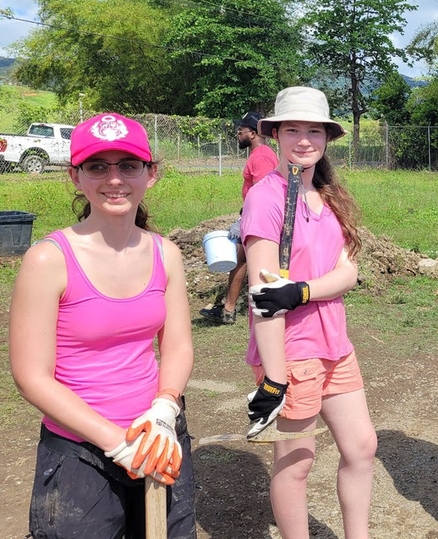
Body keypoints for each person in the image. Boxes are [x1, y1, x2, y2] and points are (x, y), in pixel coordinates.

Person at [9, 113, 196, 537]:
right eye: (98, 167)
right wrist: (116, 442)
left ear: (151, 174)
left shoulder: (166, 254)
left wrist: (166, 408)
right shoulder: (48, 259)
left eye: (128, 166)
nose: (115, 179)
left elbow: (179, 346)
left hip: (159, 440)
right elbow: (31, 376)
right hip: (81, 452)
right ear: (76, 177)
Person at [240, 86, 376, 539]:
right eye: (292, 129)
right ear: (275, 134)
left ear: (326, 137)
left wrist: (300, 290)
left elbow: (348, 273)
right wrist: (274, 378)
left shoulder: (326, 194)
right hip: (292, 350)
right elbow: (264, 298)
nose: (303, 139)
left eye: (313, 130)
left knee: (361, 447)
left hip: (334, 343)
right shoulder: (267, 197)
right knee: (296, 462)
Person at [201, 111, 279, 324]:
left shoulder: (262, 157)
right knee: (243, 259)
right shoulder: (258, 154)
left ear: (253, 133)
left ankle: (231, 310)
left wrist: (243, 219)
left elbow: (264, 193)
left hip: (261, 218)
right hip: (255, 216)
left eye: (240, 131)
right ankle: (230, 309)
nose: (238, 134)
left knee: (243, 259)